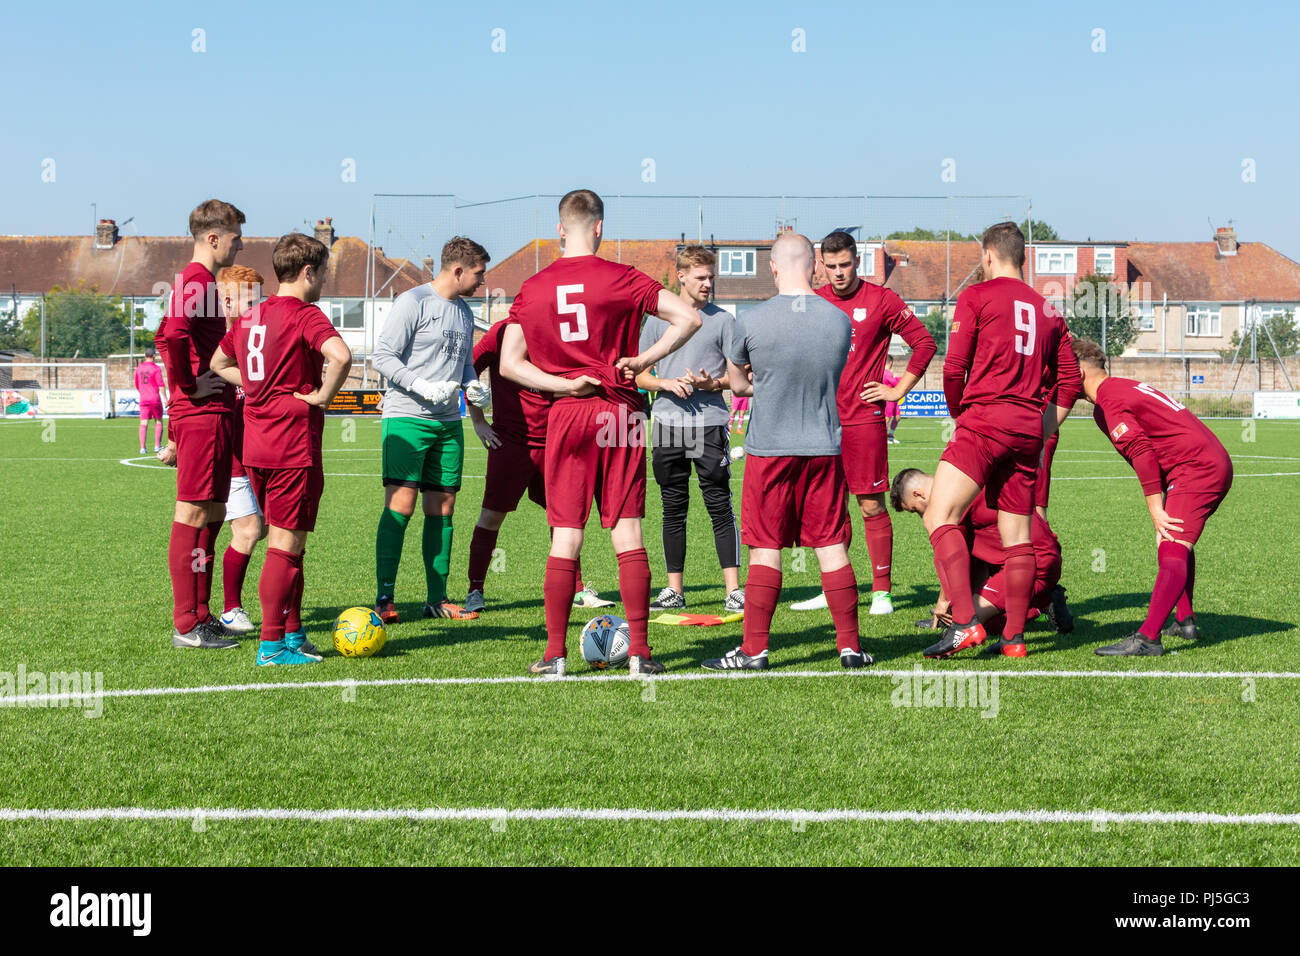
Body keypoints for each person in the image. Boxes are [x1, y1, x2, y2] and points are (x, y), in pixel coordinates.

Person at [500, 188, 702, 676]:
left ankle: (555, 655)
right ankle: (639, 655)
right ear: (599, 228)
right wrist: (643, 361)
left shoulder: (534, 287)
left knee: (565, 536)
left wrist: (563, 385)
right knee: (627, 531)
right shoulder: (622, 277)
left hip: (567, 414)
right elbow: (689, 318)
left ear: (558, 229)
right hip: (619, 412)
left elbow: (510, 364)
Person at [703, 232, 870, 670]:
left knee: (764, 548)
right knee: (833, 546)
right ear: (815, 265)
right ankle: (850, 647)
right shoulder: (838, 321)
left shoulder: (751, 321)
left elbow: (738, 386)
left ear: (774, 267)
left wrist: (764, 379)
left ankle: (755, 649)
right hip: (824, 447)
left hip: (769, 448)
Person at [921, 221, 1081, 659]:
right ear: (1022, 258)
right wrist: (1043, 426)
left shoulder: (976, 296)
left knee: (939, 515)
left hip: (984, 422)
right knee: (1018, 539)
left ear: (988, 255)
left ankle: (966, 622)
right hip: (1027, 430)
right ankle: (1013, 638)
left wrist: (961, 415)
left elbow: (954, 369)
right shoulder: (1049, 310)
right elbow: (1070, 381)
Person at [210, 233, 352, 666]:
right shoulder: (304, 315)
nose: (325, 282)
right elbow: (342, 356)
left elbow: (218, 364)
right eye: (324, 273)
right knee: (286, 547)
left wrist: (254, 387)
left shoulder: (252, 315)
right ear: (308, 272)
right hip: (293, 444)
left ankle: (292, 632)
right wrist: (324, 395)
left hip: (256, 444)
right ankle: (272, 646)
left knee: (292, 544)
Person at [790, 230, 936, 617]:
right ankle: (833, 586)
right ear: (821, 265)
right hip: (819, 422)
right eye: (832, 266)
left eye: (846, 265)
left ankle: (882, 592)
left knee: (870, 505)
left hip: (863, 421)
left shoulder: (881, 300)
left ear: (857, 262)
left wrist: (898, 390)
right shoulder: (813, 301)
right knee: (825, 507)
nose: (839, 273)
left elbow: (924, 342)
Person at [1074, 338, 1233, 656]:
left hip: (1196, 467)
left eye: (1060, 371)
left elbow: (1143, 454)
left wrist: (1155, 507)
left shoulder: (1109, 399)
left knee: (1172, 542)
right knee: (1172, 541)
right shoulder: (1116, 390)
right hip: (1197, 463)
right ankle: (1184, 619)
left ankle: (1147, 638)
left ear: (1078, 372)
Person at [371, 237, 493, 624]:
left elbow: (464, 364)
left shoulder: (465, 312)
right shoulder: (413, 302)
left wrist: (472, 384)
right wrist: (421, 386)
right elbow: (382, 357)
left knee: (443, 508)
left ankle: (437, 599)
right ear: (457, 270)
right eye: (478, 274)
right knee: (401, 506)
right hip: (407, 418)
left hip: (447, 424)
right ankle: (385, 598)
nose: (482, 283)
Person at [463, 318, 612, 612]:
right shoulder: (503, 331)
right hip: (509, 443)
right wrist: (479, 421)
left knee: (565, 519)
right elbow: (469, 369)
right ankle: (475, 590)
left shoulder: (562, 330)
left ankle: (577, 591)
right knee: (491, 516)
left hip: (557, 440)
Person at [156, 198, 245, 650]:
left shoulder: (200, 281)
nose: (240, 245)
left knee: (211, 513)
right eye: (235, 237)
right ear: (214, 238)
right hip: (202, 413)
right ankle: (187, 622)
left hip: (211, 411)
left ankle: (201, 614)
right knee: (193, 511)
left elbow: (167, 334)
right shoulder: (195, 279)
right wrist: (188, 388)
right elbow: (171, 335)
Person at [636, 246, 743, 613]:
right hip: (666, 425)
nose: (708, 284)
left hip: (710, 425)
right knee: (672, 507)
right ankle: (674, 589)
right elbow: (640, 376)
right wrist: (665, 384)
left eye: (711, 277)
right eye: (701, 277)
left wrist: (712, 384)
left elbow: (740, 378)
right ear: (680, 276)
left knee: (719, 505)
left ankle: (733, 591)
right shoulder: (655, 321)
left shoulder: (725, 322)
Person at [890, 466, 1073, 656]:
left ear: (919, 494)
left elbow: (953, 559)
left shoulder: (951, 501)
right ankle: (1043, 600)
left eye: (915, 510)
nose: (921, 516)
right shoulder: (963, 482)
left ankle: (1039, 603)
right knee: (971, 613)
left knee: (970, 621)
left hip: (1033, 561)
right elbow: (976, 562)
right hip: (1040, 554)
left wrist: (945, 603)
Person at [214, 265, 269, 635]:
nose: (258, 306)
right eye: (251, 299)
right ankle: (230, 609)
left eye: (260, 299)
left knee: (261, 530)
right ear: (228, 299)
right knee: (249, 531)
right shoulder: (216, 339)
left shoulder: (258, 334)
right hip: (230, 455)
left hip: (260, 451)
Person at [134, 347, 167, 454]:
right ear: (154, 356)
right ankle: (157, 446)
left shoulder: (138, 368)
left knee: (143, 423)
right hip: (155, 399)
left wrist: (143, 393)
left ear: (144, 355)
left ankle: (142, 448)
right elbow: (161, 385)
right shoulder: (156, 368)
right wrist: (165, 399)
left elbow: (137, 384)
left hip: (143, 399)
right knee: (158, 420)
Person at [883, 355, 902, 444]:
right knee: (887, 418)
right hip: (888, 399)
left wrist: (897, 378)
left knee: (897, 417)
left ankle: (890, 435)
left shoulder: (887, 373)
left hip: (894, 399)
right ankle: (884, 438)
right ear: (891, 363)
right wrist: (900, 380)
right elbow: (894, 383)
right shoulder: (887, 373)